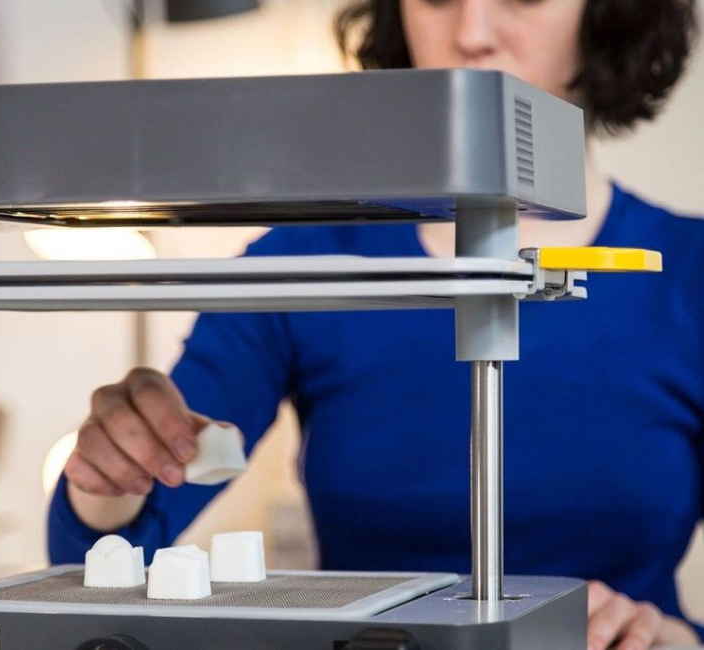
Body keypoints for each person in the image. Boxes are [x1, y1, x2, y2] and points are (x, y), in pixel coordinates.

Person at [48, 1, 702, 647]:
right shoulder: (300, 262)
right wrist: (116, 466)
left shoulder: (689, 274)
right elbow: (98, 555)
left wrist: (677, 639)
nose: (471, 34)